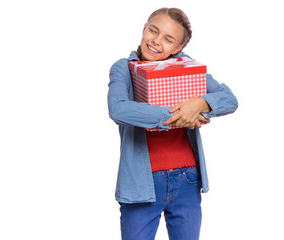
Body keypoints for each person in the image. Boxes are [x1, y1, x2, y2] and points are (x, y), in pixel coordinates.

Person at [108, 7, 238, 240]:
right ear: (144, 29)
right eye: (153, 31)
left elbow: (229, 99)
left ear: (178, 48)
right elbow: (119, 109)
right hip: (140, 183)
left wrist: (201, 103)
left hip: (188, 178)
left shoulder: (188, 68)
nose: (156, 41)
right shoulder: (124, 68)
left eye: (168, 39)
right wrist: (179, 114)